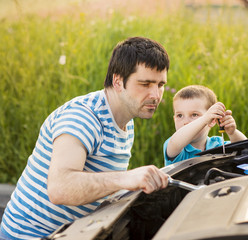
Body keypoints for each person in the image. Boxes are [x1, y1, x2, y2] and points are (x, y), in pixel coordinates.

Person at [0, 37, 170, 239]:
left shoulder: (125, 119)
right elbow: (59, 189)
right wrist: (126, 178)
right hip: (30, 235)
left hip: (74, 232)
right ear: (118, 81)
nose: (155, 94)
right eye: (145, 84)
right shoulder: (83, 117)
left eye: (160, 85)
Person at [163, 85, 247, 166]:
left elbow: (245, 149)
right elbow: (175, 143)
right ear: (174, 119)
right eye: (180, 115)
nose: (185, 122)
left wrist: (232, 133)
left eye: (194, 115)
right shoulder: (176, 146)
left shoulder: (217, 144)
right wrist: (204, 119)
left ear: (212, 120)